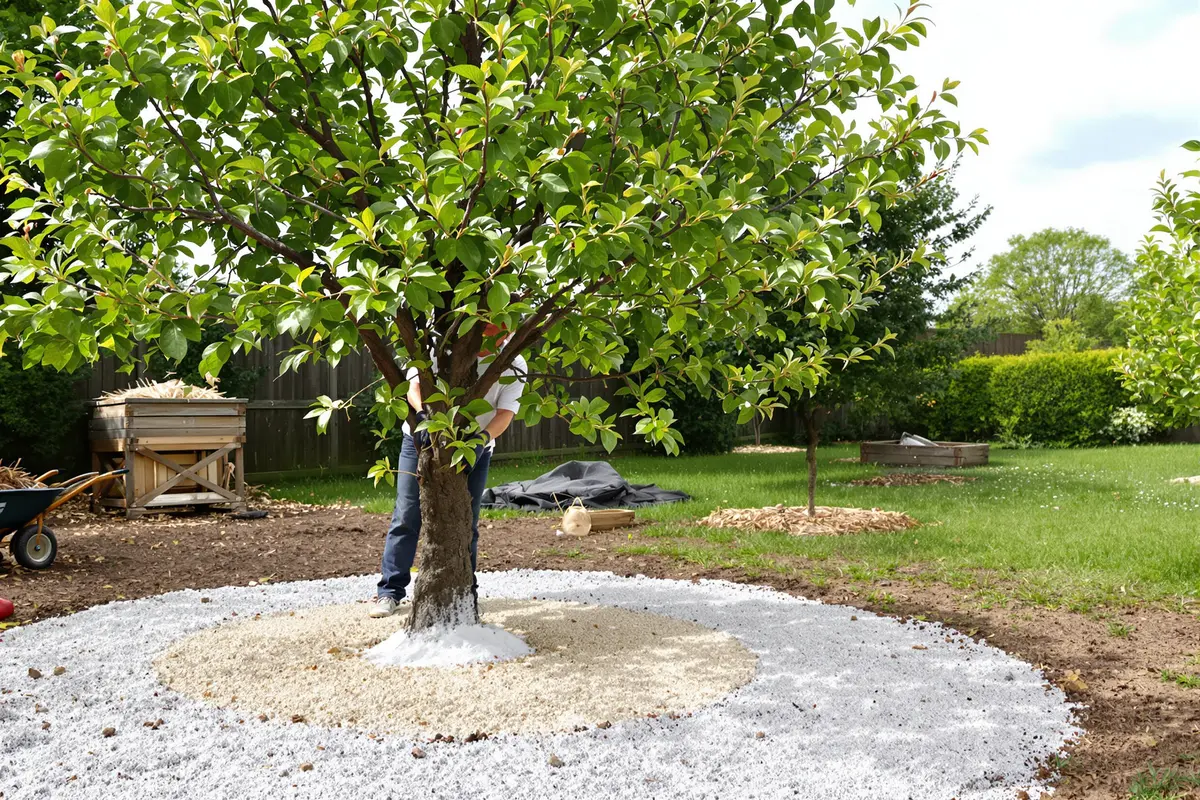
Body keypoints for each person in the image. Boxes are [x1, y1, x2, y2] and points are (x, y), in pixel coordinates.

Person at [370, 325, 526, 618]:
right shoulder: (439, 348)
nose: (495, 337)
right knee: (407, 514)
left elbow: (506, 413)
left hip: (474, 447)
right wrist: (423, 418)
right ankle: (389, 591)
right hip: (421, 440)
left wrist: (480, 440)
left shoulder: (514, 363)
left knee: (466, 520)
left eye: (501, 332)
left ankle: (465, 592)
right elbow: (414, 388)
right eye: (488, 328)